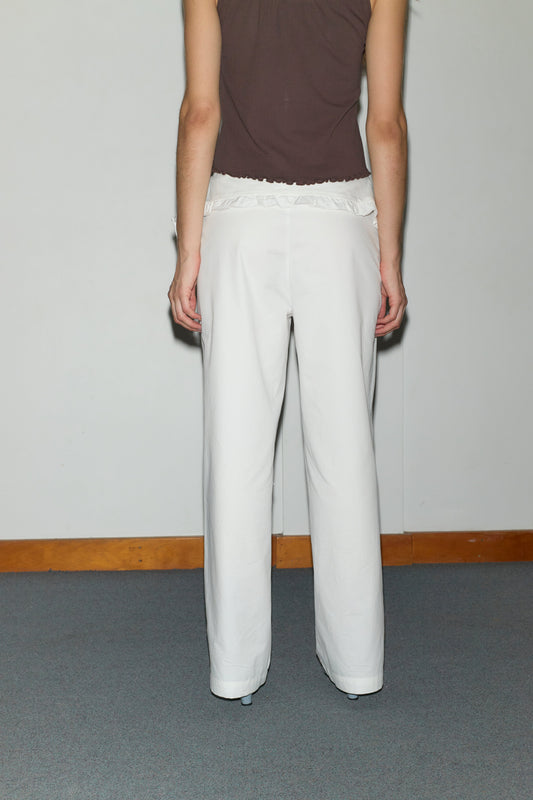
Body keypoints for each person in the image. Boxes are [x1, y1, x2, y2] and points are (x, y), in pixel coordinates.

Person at [168, 0, 408, 706]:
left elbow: (199, 112)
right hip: (341, 226)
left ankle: (235, 669)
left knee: (236, 454)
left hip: (239, 222)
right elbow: (385, 125)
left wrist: (188, 253)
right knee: (343, 455)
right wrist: (388, 258)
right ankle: (357, 665)